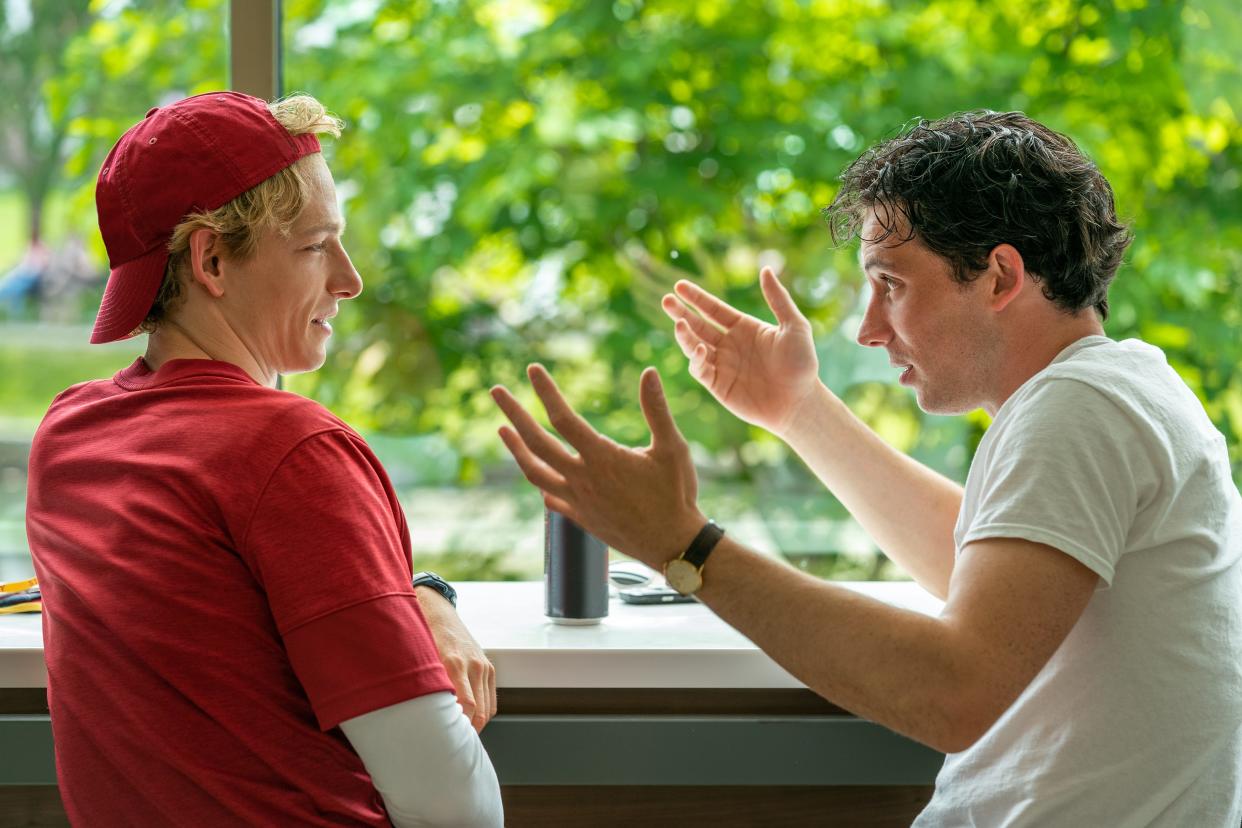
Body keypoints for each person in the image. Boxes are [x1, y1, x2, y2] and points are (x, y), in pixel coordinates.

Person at [491, 111, 1242, 826]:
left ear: (1000, 278)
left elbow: (952, 690)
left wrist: (684, 547)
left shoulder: (1078, 409)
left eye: (892, 284)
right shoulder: (1119, 388)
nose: (867, 329)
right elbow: (981, 573)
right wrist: (799, 411)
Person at [25, 92, 504, 827]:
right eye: (316, 246)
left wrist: (423, 595)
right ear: (211, 259)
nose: (350, 280)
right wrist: (426, 601)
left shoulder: (69, 438)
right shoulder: (292, 452)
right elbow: (455, 807)